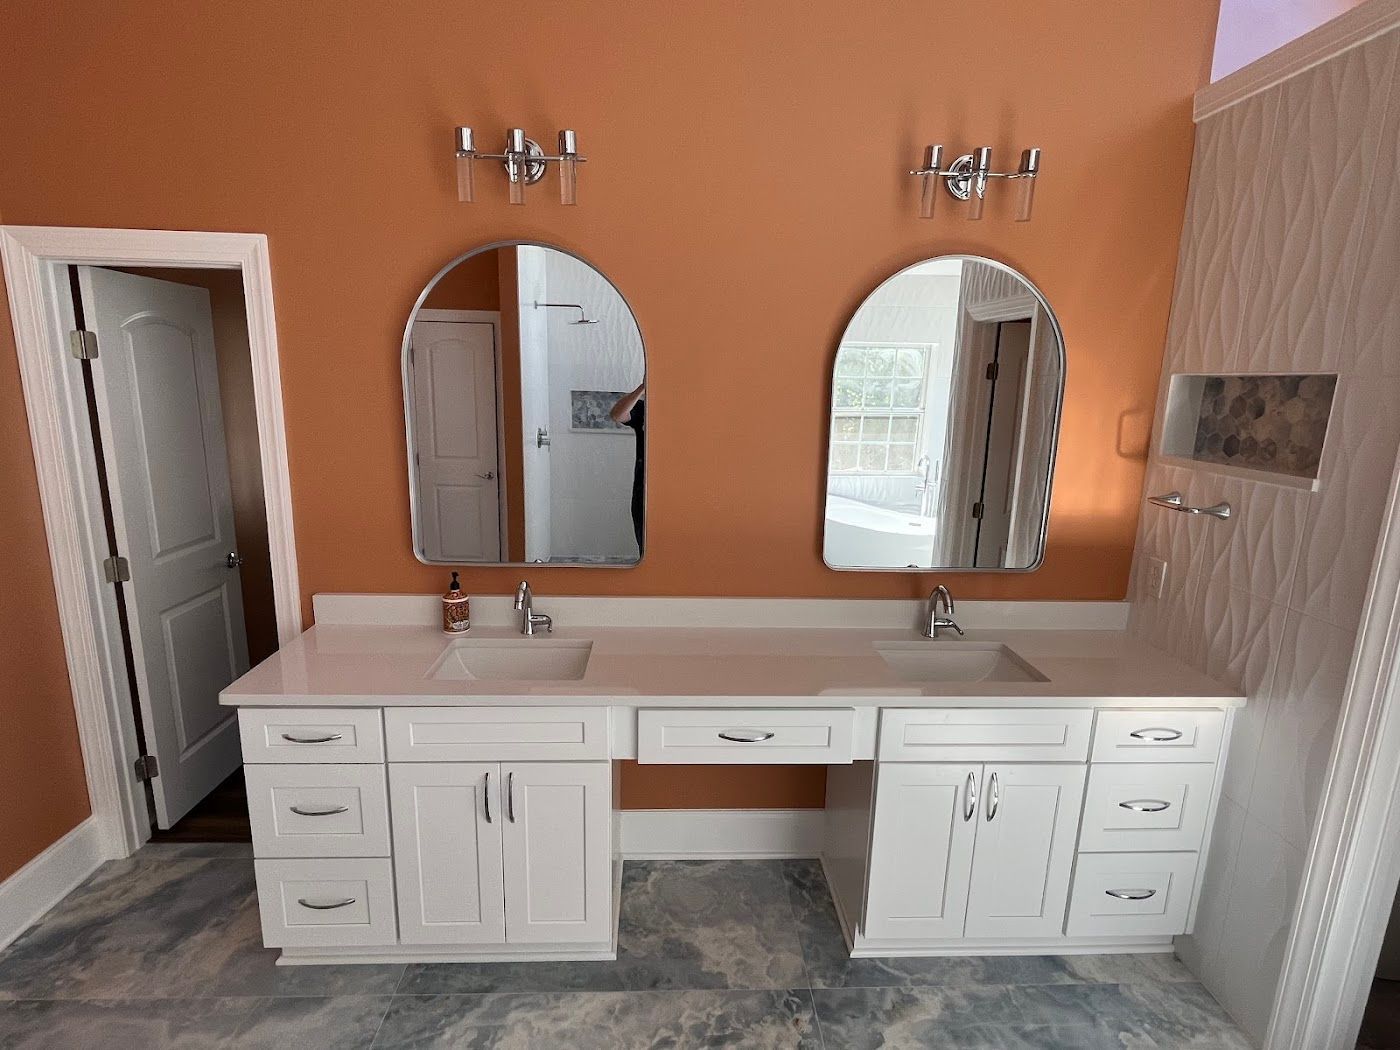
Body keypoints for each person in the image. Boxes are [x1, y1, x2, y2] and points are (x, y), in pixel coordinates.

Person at [610, 381, 646, 554]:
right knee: (646, 547)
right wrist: (642, 388)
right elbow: (617, 415)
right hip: (645, 490)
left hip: (677, 490)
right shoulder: (645, 409)